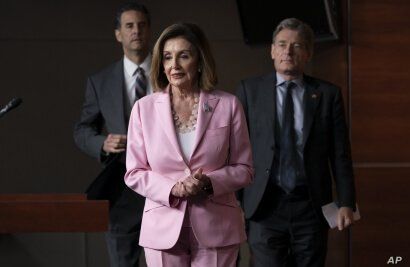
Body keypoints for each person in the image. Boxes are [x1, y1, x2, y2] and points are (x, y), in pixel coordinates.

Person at [124, 22, 253, 267]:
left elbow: (244, 169)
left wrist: (210, 182)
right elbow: (134, 172)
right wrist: (174, 189)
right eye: (167, 57)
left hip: (218, 225)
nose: (174, 65)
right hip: (162, 226)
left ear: (200, 60)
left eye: (184, 56)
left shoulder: (228, 105)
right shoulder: (143, 109)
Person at [236, 18, 357, 267]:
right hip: (264, 206)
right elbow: (236, 151)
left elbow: (340, 153)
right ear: (272, 50)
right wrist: (234, 204)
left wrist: (346, 202)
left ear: (309, 53)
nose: (288, 51)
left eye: (297, 45)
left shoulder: (327, 94)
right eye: (281, 44)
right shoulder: (250, 90)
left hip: (310, 206)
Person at [73, 2, 152, 266]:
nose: (136, 31)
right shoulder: (100, 81)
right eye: (129, 26)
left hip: (167, 188)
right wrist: (102, 143)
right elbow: (82, 129)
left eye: (141, 25)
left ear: (149, 30)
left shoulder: (171, 74)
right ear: (118, 34)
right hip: (122, 190)